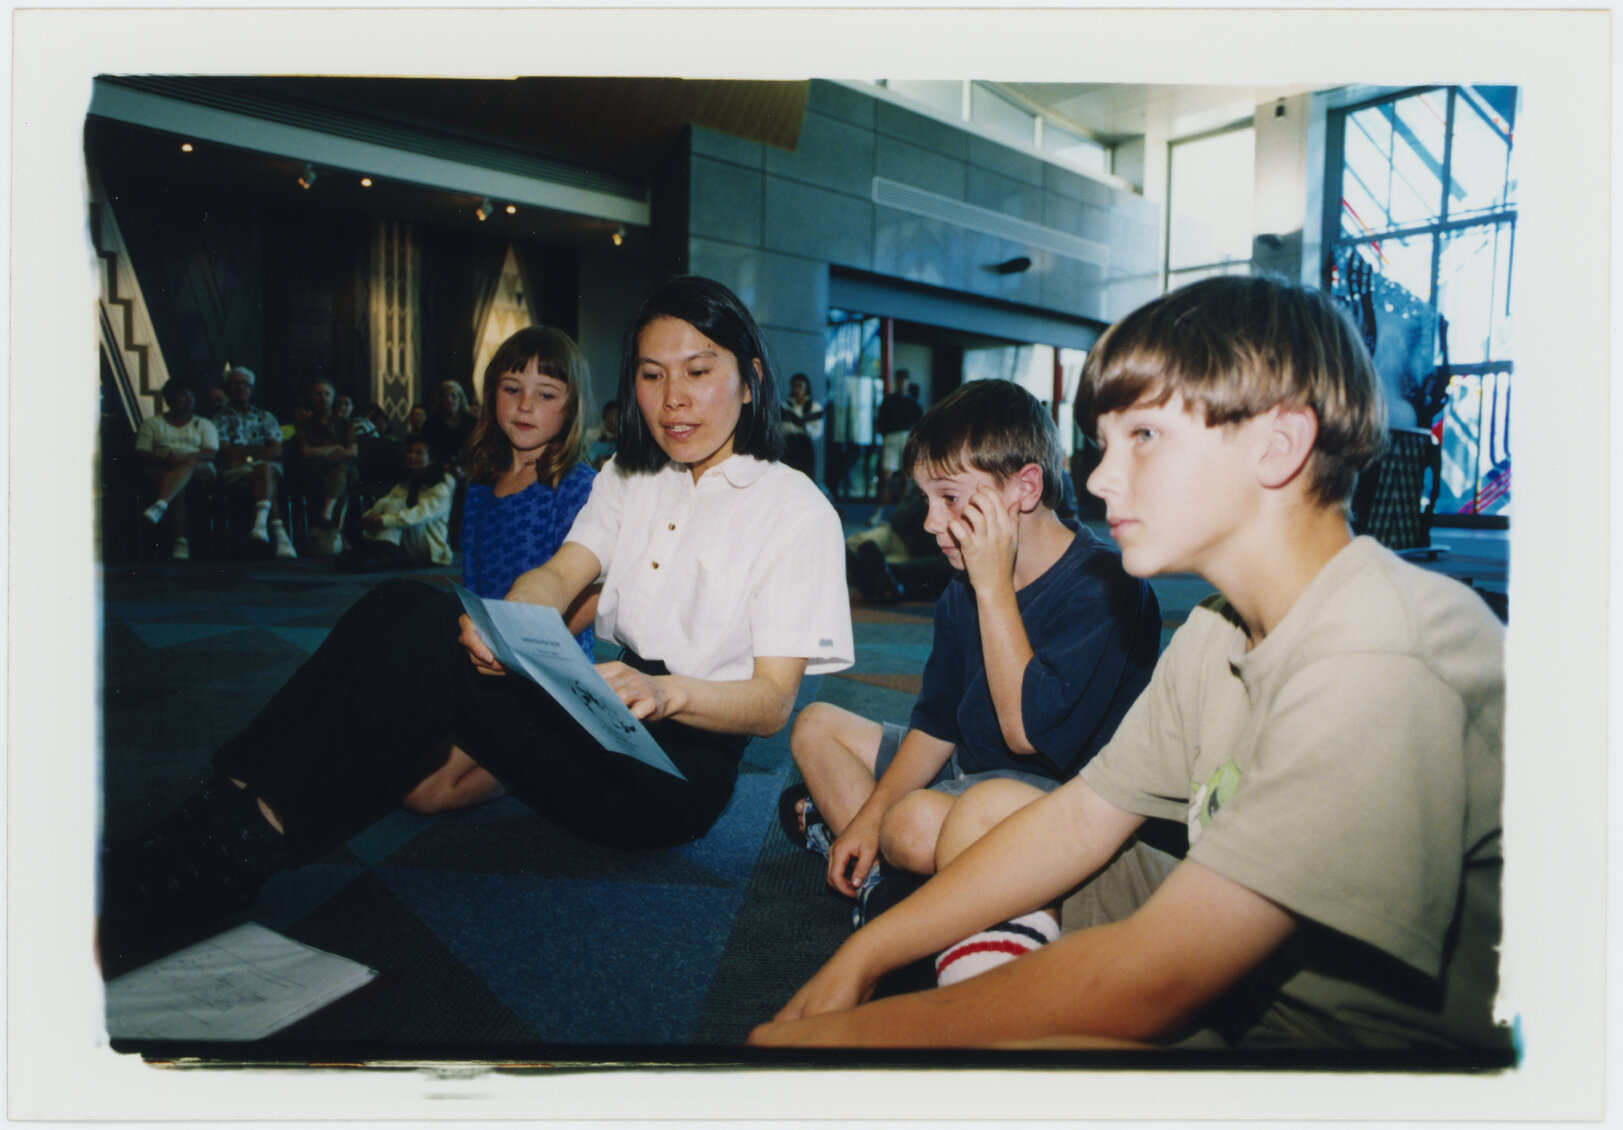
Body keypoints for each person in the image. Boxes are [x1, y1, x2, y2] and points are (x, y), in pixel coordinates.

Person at [750, 276, 1508, 1053]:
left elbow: (1151, 983)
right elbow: (1078, 817)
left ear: (1277, 445)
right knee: (986, 817)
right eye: (1105, 444)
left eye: (1143, 437)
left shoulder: (1379, 652)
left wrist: (857, 1033)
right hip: (1251, 981)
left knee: (1032, 1051)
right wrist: (864, 954)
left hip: (1357, 1054)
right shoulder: (1214, 634)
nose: (1102, 478)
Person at [100, 276, 854, 933]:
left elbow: (767, 706)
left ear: (750, 378)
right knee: (405, 604)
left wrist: (664, 693)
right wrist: (510, 626)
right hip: (601, 706)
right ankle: (225, 809)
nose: (673, 399)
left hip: (671, 773)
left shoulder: (795, 510)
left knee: (423, 643)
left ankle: (230, 848)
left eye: (698, 371)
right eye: (653, 376)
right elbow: (560, 574)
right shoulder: (631, 474)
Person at [784, 380, 1159, 939]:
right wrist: (866, 821)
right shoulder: (962, 585)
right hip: (967, 768)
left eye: (951, 499)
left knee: (910, 826)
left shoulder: (1105, 587)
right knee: (816, 726)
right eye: (927, 501)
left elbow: (1026, 732)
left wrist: (993, 588)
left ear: (1024, 489)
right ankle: (891, 877)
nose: (933, 522)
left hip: (1053, 800)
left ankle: (912, 888)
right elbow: (935, 721)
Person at [411, 325, 601, 813]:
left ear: (572, 404)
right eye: (512, 389)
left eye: (546, 394)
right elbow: (472, 585)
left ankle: (548, 755)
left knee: (425, 793)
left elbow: (591, 595)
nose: (524, 406)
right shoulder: (480, 485)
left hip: (543, 675)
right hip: (480, 660)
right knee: (397, 754)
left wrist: (522, 657)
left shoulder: (578, 487)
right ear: (492, 392)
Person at [213, 364, 296, 559]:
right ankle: (280, 536)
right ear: (227, 388)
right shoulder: (218, 419)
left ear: (252, 388)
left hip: (262, 467)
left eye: (244, 383)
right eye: (234, 383)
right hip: (236, 472)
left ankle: (260, 526)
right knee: (267, 479)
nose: (240, 387)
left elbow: (277, 450)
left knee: (265, 469)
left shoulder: (266, 417)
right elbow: (227, 455)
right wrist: (260, 449)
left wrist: (247, 456)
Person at [337, 440, 456, 572]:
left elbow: (419, 515)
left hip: (428, 548)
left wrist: (383, 520)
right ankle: (372, 554)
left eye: (419, 453)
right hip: (407, 543)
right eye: (410, 452)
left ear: (431, 460)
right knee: (386, 503)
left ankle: (376, 555)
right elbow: (383, 504)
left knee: (396, 506)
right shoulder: (404, 485)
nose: (412, 456)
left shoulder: (440, 488)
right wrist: (368, 516)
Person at [134, 378, 219, 560]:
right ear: (170, 399)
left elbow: (211, 453)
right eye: (183, 396)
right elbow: (142, 452)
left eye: (192, 397)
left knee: (187, 467)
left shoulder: (204, 424)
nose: (189, 400)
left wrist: (182, 458)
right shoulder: (152, 423)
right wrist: (164, 460)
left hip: (200, 471)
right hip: (162, 468)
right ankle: (180, 542)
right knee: (176, 484)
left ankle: (160, 506)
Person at [290, 378, 360, 550]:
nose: (322, 398)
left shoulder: (345, 423)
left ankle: (327, 514)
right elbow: (305, 452)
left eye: (326, 394)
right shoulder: (305, 425)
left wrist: (322, 452)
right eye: (317, 394)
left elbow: (352, 451)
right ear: (311, 398)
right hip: (316, 472)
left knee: (341, 470)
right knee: (340, 483)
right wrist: (334, 448)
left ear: (333, 397)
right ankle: (340, 536)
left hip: (346, 469)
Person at [874, 375, 922, 505]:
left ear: (908, 382)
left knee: (906, 477)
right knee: (886, 476)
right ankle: (879, 510)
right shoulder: (889, 400)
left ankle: (901, 510)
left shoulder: (913, 402)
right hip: (891, 437)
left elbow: (920, 423)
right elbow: (881, 420)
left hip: (907, 437)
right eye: (899, 381)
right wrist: (884, 436)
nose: (902, 384)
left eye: (904, 381)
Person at [781, 372, 824, 479]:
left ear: (806, 387)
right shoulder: (786, 407)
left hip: (805, 447)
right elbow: (781, 428)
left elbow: (817, 432)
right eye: (794, 386)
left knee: (806, 477)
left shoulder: (814, 408)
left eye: (800, 385)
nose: (797, 389)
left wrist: (806, 427)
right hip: (789, 446)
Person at [586, 400, 619, 469]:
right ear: (604, 416)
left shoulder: (623, 436)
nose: (613, 419)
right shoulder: (592, 435)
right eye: (610, 415)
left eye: (616, 416)